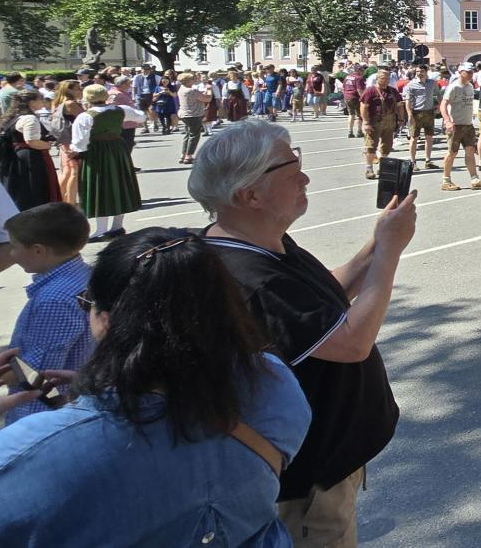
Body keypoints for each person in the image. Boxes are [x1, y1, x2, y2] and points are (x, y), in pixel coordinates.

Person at [0, 229, 312, 547]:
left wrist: (83, 412)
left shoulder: (22, 453)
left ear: (107, 320)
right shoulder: (274, 384)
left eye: (87, 303)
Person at [191, 120, 412, 547]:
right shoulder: (248, 275)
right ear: (249, 194)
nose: (305, 176)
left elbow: (323, 295)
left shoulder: (260, 241)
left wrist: (378, 240)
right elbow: (351, 343)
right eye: (290, 166)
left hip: (325, 462)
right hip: (308, 483)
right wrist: (389, 252)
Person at [0, 203, 93, 423]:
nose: (11, 253)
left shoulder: (54, 300)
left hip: (40, 416)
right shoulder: (86, 276)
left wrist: (8, 372)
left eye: (14, 246)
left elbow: (39, 373)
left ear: (38, 251)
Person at [69, 84, 143, 241]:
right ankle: (117, 226)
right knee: (119, 184)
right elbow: (141, 116)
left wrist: (74, 151)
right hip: (117, 149)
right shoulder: (121, 110)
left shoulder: (86, 116)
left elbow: (80, 142)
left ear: (87, 98)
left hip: (96, 152)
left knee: (99, 187)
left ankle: (101, 229)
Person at [0, 88, 60, 210]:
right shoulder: (29, 118)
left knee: (22, 188)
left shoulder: (13, 117)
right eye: (40, 99)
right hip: (30, 157)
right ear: (31, 102)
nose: (42, 102)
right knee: (34, 188)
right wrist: (48, 145)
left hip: (17, 156)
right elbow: (32, 141)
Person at [440, 66, 481, 191]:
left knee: (470, 151)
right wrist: (447, 121)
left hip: (467, 125)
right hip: (455, 125)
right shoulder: (454, 87)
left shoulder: (470, 87)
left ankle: (475, 179)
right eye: (468, 72)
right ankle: (446, 180)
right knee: (452, 152)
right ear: (460, 73)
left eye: (472, 72)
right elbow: (443, 104)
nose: (470, 74)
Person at [358, 70, 399, 181]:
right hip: (374, 121)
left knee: (387, 145)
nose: (385, 80)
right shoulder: (370, 91)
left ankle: (382, 168)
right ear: (377, 78)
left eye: (387, 78)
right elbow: (363, 107)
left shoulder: (392, 91)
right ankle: (369, 168)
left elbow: (399, 104)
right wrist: (366, 123)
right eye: (382, 78)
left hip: (389, 122)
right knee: (371, 146)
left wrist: (400, 119)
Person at [402, 65, 441, 169]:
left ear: (426, 72)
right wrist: (409, 114)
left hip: (429, 113)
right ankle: (413, 162)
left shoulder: (432, 83)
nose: (419, 73)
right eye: (418, 71)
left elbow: (438, 94)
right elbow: (408, 101)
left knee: (429, 137)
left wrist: (439, 107)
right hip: (416, 113)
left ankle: (428, 161)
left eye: (422, 71)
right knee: (414, 138)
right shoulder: (411, 85)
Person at [176, 72, 212, 165]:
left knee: (188, 135)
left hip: (184, 114)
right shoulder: (191, 91)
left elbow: (197, 96)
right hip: (193, 115)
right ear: (188, 81)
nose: (194, 80)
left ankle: (183, 154)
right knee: (194, 135)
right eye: (193, 79)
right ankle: (189, 155)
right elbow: (207, 99)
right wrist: (209, 90)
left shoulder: (181, 89)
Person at [340, 67, 364, 138]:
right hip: (355, 97)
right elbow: (359, 90)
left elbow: (343, 88)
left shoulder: (347, 77)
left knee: (351, 114)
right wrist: (363, 99)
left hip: (347, 96)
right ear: (359, 71)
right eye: (362, 71)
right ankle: (359, 131)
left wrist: (345, 96)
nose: (363, 72)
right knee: (359, 115)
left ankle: (350, 131)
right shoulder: (359, 78)